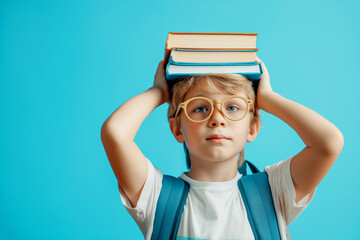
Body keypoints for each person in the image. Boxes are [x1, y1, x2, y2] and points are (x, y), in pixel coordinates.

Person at [100, 57, 344, 239]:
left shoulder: (273, 191)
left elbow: (328, 143)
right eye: (200, 108)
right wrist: (159, 92)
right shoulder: (156, 196)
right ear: (177, 129)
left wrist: (267, 98)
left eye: (233, 108)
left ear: (252, 128)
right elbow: (115, 134)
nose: (217, 118)